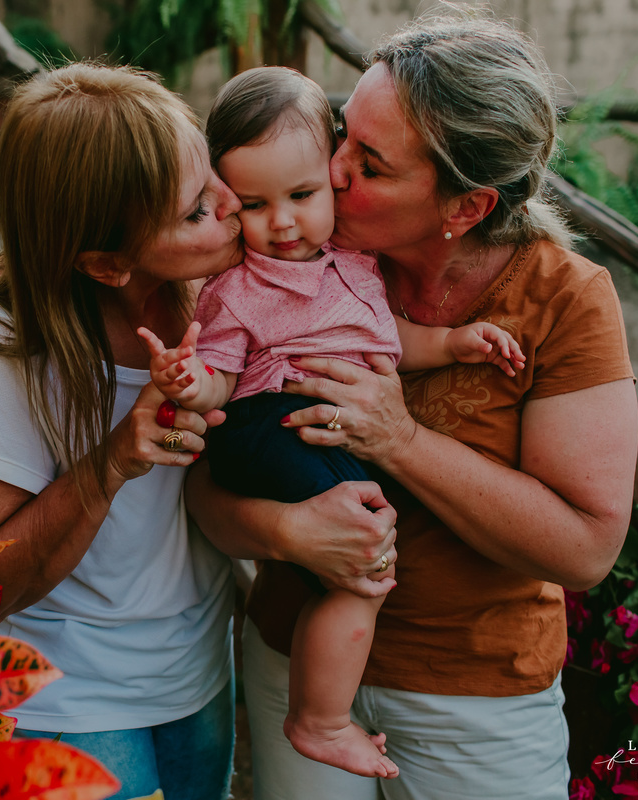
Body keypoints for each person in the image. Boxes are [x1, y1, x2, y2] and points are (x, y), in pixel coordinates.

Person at [186, 10, 638, 800]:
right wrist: (289, 531)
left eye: (370, 161)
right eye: (340, 135)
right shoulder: (290, 258)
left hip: (475, 699)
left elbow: (585, 551)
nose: (331, 172)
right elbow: (201, 484)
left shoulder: (565, 301)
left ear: (465, 207)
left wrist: (398, 439)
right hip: (294, 662)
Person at [137, 65, 525, 780]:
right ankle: (318, 719)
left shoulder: (354, 261)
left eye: (303, 195)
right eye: (253, 205)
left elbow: (384, 340)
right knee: (366, 562)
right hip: (265, 424)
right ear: (225, 201)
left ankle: (320, 709)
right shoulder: (238, 287)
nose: (282, 223)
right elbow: (219, 375)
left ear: (330, 173)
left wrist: (457, 343)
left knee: (358, 557)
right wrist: (190, 382)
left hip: (309, 428)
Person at [0, 63, 250, 800]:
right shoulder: (4, 341)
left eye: (214, 178)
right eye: (197, 210)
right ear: (106, 263)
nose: (236, 206)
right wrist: (111, 462)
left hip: (200, 675)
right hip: (65, 699)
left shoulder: (225, 294)